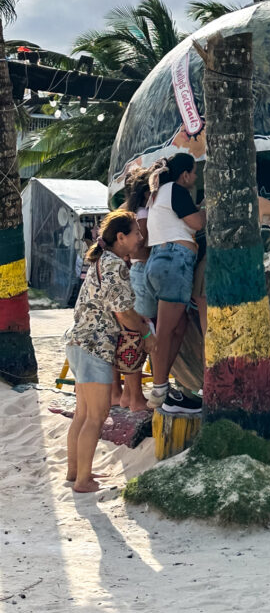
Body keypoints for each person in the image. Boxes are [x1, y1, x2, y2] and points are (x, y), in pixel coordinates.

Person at [63, 210, 155, 493]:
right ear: (120, 237)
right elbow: (123, 312)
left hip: (79, 343)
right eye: (136, 233)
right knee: (96, 416)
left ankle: (75, 472)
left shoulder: (103, 261)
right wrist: (146, 334)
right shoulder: (115, 265)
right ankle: (83, 481)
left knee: (83, 413)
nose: (140, 238)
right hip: (95, 346)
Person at [143, 153, 205, 415]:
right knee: (167, 330)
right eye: (193, 173)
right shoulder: (176, 191)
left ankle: (161, 385)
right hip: (174, 261)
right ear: (185, 175)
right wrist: (205, 208)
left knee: (177, 328)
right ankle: (158, 388)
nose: (195, 177)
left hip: (162, 260)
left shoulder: (158, 193)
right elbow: (197, 223)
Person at [114, 166, 156, 411]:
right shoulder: (141, 212)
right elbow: (140, 247)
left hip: (133, 271)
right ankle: (134, 396)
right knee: (137, 334)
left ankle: (129, 394)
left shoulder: (125, 210)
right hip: (140, 269)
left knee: (131, 334)